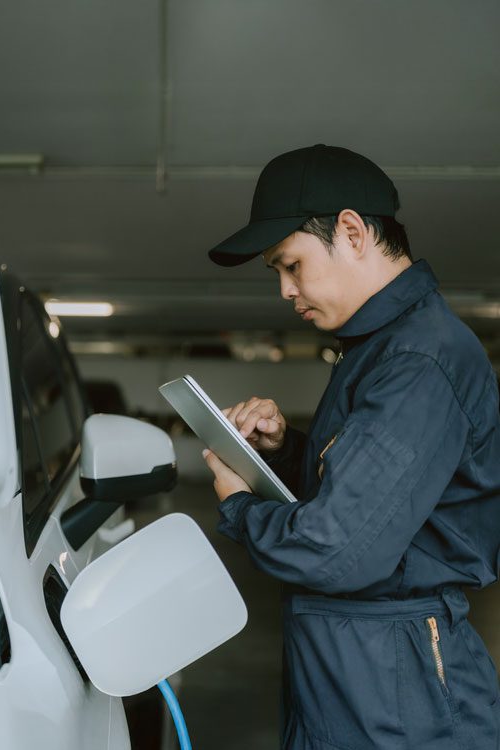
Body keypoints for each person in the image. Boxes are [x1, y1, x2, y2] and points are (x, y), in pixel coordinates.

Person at [203, 144, 500, 749]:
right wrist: (287, 451)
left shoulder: (419, 359)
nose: (284, 291)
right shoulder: (380, 346)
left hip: (396, 692)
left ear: (351, 231)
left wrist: (241, 507)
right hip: (360, 672)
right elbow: (377, 492)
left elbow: (338, 549)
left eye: (292, 265)